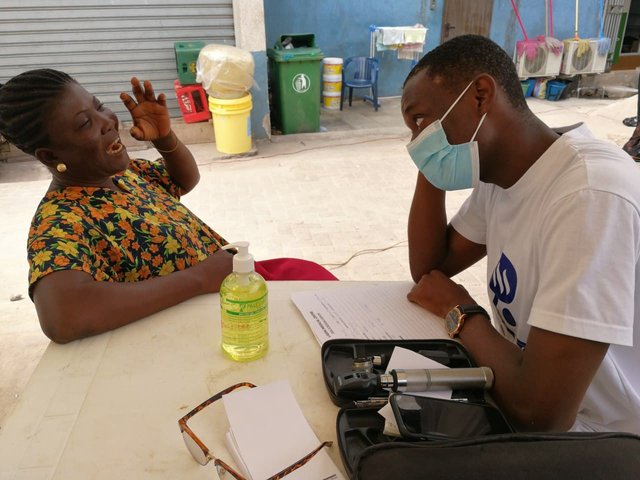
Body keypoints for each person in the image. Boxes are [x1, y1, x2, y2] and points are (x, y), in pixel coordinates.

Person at [401, 35, 640, 434]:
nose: (415, 143)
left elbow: (540, 415)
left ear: (480, 96)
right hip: (526, 401)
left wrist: (461, 313)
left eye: (421, 122)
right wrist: (431, 162)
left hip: (604, 438)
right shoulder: (501, 175)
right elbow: (430, 269)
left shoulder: (589, 196)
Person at [0, 69, 335, 344]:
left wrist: (165, 139)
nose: (107, 122)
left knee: (325, 291)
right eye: (85, 124)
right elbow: (65, 317)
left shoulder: (122, 174)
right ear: (51, 156)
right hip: (209, 320)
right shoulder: (59, 222)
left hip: (233, 283)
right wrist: (199, 279)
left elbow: (183, 180)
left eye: (99, 106)